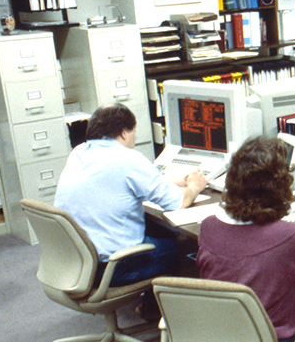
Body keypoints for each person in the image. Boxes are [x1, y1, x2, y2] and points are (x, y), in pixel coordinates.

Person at [197, 135, 295, 342]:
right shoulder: (289, 236)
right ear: (280, 188)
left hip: (220, 334)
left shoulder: (208, 226)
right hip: (272, 337)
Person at [55, 103, 206, 286]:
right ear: (124, 133)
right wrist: (194, 187)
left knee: (156, 229)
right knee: (185, 247)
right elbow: (179, 201)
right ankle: (161, 302)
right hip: (113, 268)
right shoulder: (128, 158)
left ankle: (150, 300)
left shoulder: (78, 152)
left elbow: (119, 181)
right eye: (133, 131)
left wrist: (176, 181)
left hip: (78, 264)